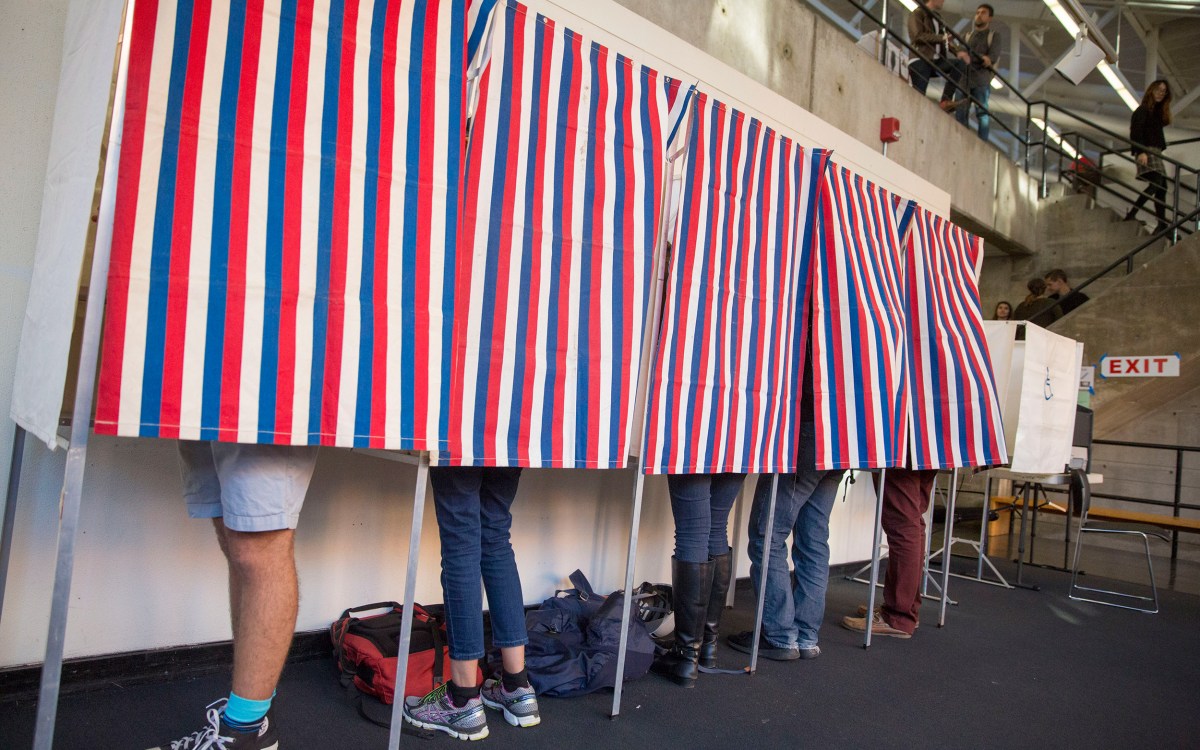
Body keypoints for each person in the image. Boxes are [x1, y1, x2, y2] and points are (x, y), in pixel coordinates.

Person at [154, 442, 319, 750]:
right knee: (232, 532)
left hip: (266, 397)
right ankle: (252, 719)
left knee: (258, 542)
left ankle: (244, 732)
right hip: (201, 396)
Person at [726, 340, 844, 661]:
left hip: (806, 429)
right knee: (814, 539)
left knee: (768, 535)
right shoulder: (853, 311)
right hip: (843, 434)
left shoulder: (800, 307)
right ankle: (805, 636)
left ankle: (779, 635)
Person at [402, 467, 540, 739]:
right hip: (511, 427)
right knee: (496, 536)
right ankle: (517, 687)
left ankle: (462, 700)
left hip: (462, 428)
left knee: (460, 540)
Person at [652, 472, 747, 687]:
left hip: (697, 438)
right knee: (716, 527)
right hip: (742, 439)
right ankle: (706, 646)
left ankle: (686, 656)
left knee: (692, 531)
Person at [841, 468, 938, 639]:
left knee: (903, 523)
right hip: (927, 446)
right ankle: (907, 610)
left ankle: (897, 616)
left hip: (902, 447)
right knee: (913, 519)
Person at [1124, 79, 1173, 234]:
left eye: (1164, 91)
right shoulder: (1143, 110)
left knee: (1161, 188)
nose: (1161, 93)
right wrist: (1140, 151)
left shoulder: (1156, 114)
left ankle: (1161, 225)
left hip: (1155, 152)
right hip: (1146, 151)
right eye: (1158, 89)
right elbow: (1135, 131)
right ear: (1151, 90)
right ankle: (1132, 215)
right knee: (1157, 185)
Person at [906, 0, 964, 112]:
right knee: (919, 96)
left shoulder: (938, 18)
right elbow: (917, 36)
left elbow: (945, 39)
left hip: (935, 61)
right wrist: (942, 38)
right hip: (920, 59)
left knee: (958, 64)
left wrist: (958, 52)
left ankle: (945, 101)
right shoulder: (917, 13)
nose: (943, 1)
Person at [954, 4, 1001, 141]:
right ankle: (961, 139)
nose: (979, 15)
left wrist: (972, 57)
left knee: (982, 114)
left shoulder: (994, 36)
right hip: (964, 78)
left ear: (990, 18)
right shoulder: (967, 36)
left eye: (983, 13)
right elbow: (960, 53)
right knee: (960, 111)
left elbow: (991, 57)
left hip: (981, 80)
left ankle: (982, 143)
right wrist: (979, 57)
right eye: (977, 12)